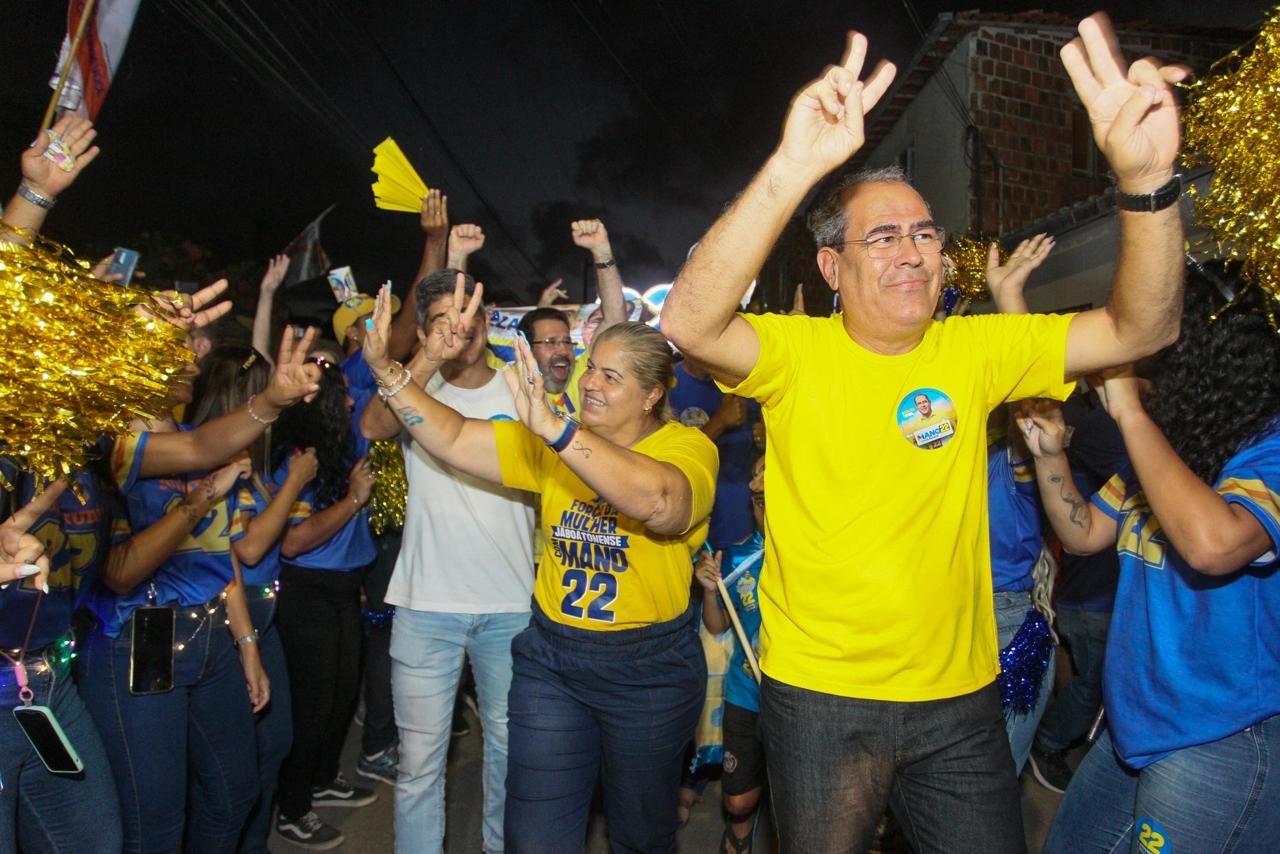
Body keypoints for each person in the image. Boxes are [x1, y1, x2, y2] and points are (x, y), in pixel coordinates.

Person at [661, 14, 1189, 850]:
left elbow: (1141, 330)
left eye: (926, 233)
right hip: (822, 700)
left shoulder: (976, 347)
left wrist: (1148, 184)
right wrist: (797, 164)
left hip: (960, 704)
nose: (914, 252)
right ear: (832, 268)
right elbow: (689, 324)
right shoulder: (797, 352)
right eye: (884, 236)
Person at [362, 277, 717, 853]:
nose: (591, 383)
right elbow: (450, 435)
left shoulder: (686, 448)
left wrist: (556, 430)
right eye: (590, 368)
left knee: (640, 834)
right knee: (535, 836)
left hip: (647, 670)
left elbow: (660, 503)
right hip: (553, 660)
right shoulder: (552, 445)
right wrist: (391, 373)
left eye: (611, 375)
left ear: (652, 395)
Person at [1022, 261, 1280, 851]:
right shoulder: (1176, 443)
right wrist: (1049, 453)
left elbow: (1214, 546)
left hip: (1218, 737)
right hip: (1133, 732)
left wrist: (1130, 413)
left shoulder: (1270, 447)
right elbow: (1085, 531)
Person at [78, 323, 321, 853]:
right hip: (141, 640)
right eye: (177, 347)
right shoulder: (113, 446)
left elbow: (223, 558)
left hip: (212, 634)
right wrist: (198, 502)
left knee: (236, 791)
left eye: (192, 345)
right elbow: (119, 572)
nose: (195, 357)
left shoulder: (198, 441)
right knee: (157, 821)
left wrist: (248, 646)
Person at [361, 269, 536, 854]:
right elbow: (373, 425)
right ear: (429, 330)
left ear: (488, 321)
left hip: (510, 606)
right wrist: (426, 359)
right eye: (443, 321)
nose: (459, 329)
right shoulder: (417, 386)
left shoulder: (520, 386)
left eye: (469, 317)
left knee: (510, 755)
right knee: (418, 767)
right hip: (426, 606)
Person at [187, 344, 320, 854]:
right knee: (230, 776)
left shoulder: (253, 461)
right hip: (227, 630)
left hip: (264, 624)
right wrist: (296, 486)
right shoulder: (215, 463)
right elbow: (247, 545)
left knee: (274, 746)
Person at [271, 357, 379, 850]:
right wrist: (354, 500)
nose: (353, 401)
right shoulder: (299, 457)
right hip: (307, 591)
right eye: (344, 396)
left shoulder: (341, 447)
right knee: (312, 707)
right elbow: (293, 542)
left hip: (342, 588)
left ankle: (322, 778)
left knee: (341, 696)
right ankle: (293, 808)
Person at [695, 456, 767, 853]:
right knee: (737, 802)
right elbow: (718, 626)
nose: (766, 514)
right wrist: (709, 589)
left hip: (799, 697)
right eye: (759, 504)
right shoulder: (739, 559)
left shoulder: (816, 558)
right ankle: (741, 829)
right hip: (746, 694)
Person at [516, 219, 628, 414]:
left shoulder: (583, 375)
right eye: (551, 342)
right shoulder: (508, 384)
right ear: (526, 349)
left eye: (567, 341)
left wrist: (601, 251)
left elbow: (614, 318)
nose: (562, 350)